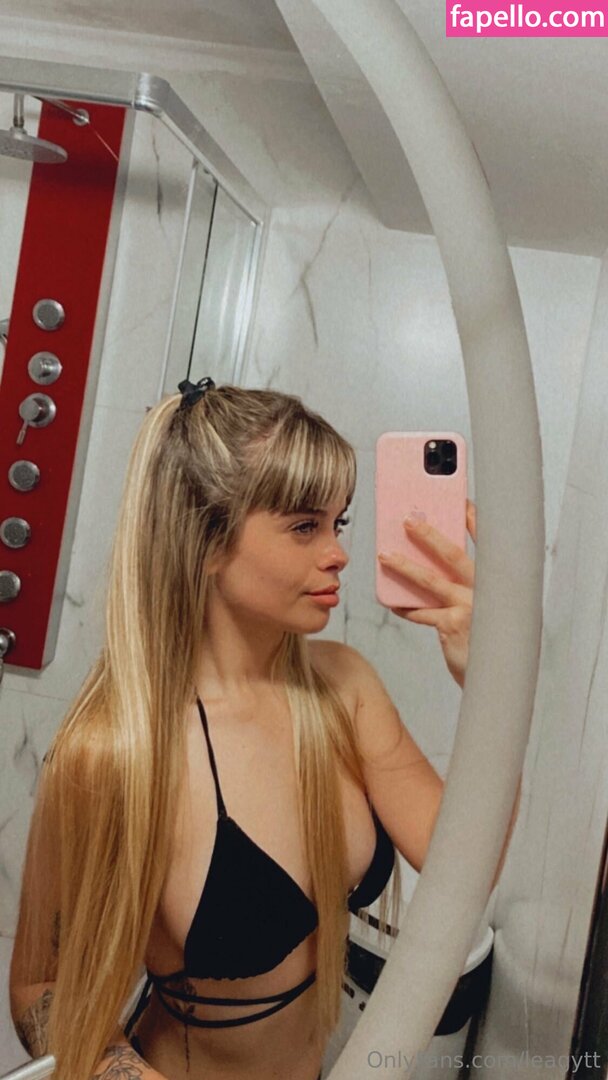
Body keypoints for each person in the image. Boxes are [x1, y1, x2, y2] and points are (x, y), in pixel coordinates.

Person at [9, 379, 505, 1080]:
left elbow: (468, 866)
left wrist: (490, 684)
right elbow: (41, 985)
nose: (337, 553)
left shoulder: (343, 689)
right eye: (304, 526)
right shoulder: (117, 749)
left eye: (337, 523)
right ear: (206, 542)